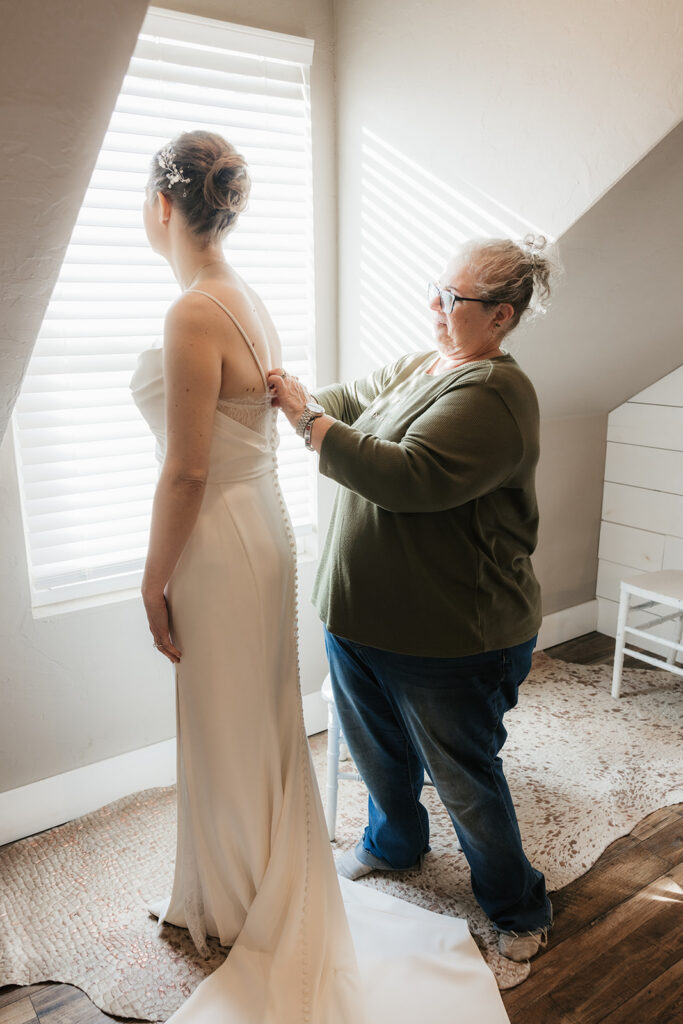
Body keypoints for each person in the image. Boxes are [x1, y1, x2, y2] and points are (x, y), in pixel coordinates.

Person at [130, 130, 509, 1024]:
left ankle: (243, 899)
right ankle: (239, 891)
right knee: (248, 717)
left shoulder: (191, 311)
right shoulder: (238, 293)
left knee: (230, 717)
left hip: (218, 542)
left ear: (162, 207)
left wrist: (153, 579)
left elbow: (186, 470)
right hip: (258, 530)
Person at [268, 234, 557, 964]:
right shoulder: (423, 364)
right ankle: (393, 845)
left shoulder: (494, 392)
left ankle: (517, 906)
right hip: (360, 618)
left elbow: (407, 476)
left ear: (500, 315)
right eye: (436, 286)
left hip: (452, 635)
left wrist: (308, 422)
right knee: (378, 756)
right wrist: (299, 400)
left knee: (464, 780)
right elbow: (348, 401)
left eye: (452, 298)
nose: (434, 304)